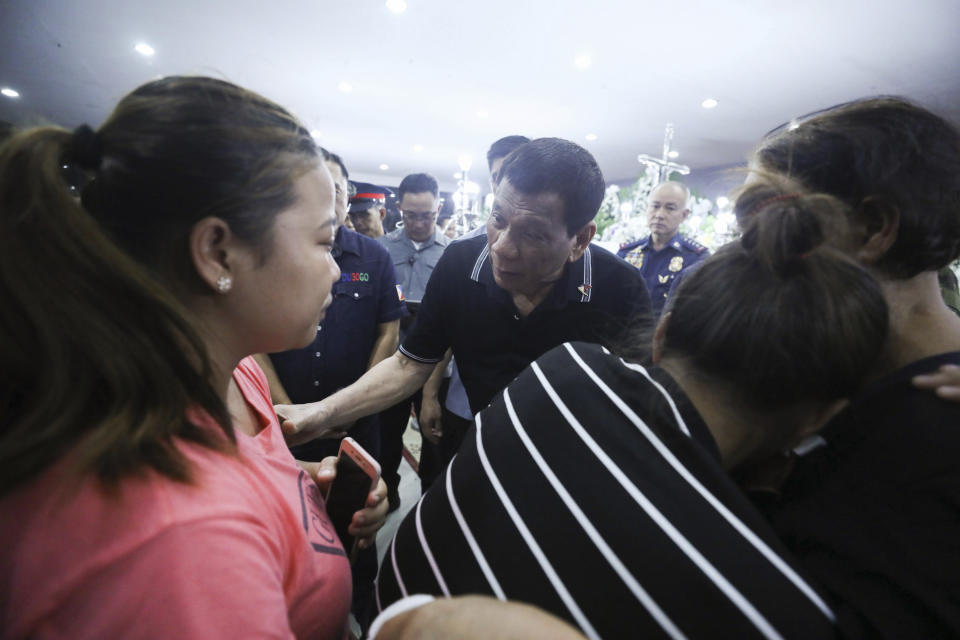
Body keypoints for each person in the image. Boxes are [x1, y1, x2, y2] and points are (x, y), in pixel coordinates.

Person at [375, 178, 888, 639]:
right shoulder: (774, 611)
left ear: (660, 336)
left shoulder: (559, 375)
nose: (505, 247)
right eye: (498, 220)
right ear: (820, 416)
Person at [0, 76, 387, 639]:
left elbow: (243, 463)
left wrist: (303, 488)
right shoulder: (176, 545)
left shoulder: (232, 370)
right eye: (325, 242)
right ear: (217, 251)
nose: (336, 269)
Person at [276, 138, 651, 454]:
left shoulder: (620, 288)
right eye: (498, 219)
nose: (502, 248)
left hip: (574, 456)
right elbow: (409, 365)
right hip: (483, 443)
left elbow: (638, 405)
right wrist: (323, 412)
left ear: (580, 239)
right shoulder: (460, 263)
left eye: (532, 234)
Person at [746, 96, 960, 638]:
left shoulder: (935, 438)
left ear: (871, 228)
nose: (748, 258)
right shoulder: (843, 386)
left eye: (769, 220)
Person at [253, 148, 401, 626]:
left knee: (356, 520)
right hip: (285, 411)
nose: (334, 275)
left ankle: (362, 606)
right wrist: (286, 404)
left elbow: (388, 331)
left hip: (354, 418)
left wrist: (346, 406)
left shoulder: (372, 259)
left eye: (335, 192)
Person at [372, 172, 451, 510]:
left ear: (439, 209)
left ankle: (429, 509)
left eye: (428, 215)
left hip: (435, 368)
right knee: (385, 440)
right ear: (398, 209)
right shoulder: (380, 250)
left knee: (435, 445)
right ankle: (385, 498)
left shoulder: (452, 253)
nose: (419, 222)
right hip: (391, 362)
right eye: (411, 215)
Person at [618, 181, 710, 315]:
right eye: (655, 206)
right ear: (646, 208)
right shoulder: (627, 252)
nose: (659, 215)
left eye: (670, 208)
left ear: (684, 215)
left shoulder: (696, 258)